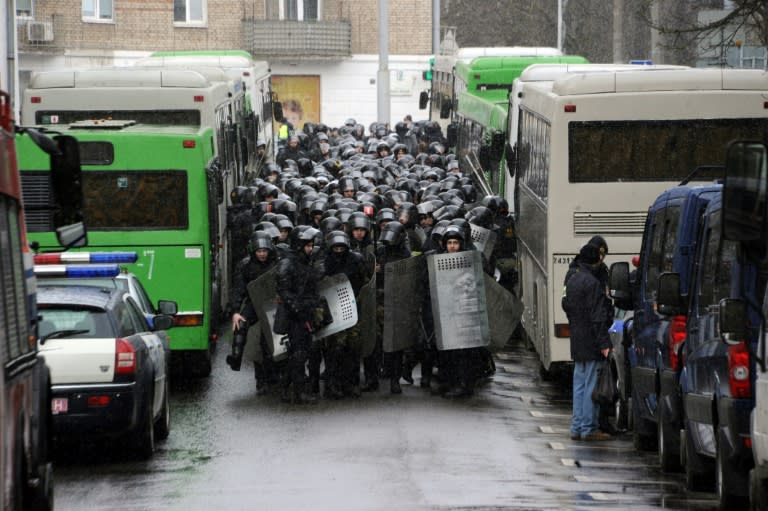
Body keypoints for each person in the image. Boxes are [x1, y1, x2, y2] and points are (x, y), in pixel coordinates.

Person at [561, 242, 614, 441]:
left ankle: (577, 426)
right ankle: (588, 428)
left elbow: (565, 304)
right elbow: (598, 316)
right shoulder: (593, 283)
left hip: (577, 337)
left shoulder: (572, 279)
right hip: (592, 340)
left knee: (580, 383)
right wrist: (604, 343)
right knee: (592, 384)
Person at [276, 225, 324, 404]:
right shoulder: (288, 263)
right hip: (293, 316)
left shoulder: (305, 262)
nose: (310, 249)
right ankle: (298, 392)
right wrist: (298, 308)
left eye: (311, 245)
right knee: (299, 353)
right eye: (308, 245)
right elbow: (284, 289)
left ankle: (285, 386)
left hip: (305, 312)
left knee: (301, 352)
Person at [227, 232, 279, 394]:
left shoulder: (277, 263)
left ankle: (277, 377)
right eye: (259, 251)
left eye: (264, 250)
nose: (262, 254)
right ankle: (236, 359)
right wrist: (235, 311)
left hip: (274, 304)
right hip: (254, 303)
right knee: (241, 325)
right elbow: (239, 289)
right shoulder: (245, 266)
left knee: (270, 342)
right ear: (253, 251)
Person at [322, 230, 369, 398]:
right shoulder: (325, 262)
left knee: (353, 347)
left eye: (342, 248)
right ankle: (333, 384)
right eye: (336, 248)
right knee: (335, 349)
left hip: (352, 306)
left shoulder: (356, 260)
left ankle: (352, 383)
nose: (339, 251)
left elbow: (364, 282)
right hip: (333, 308)